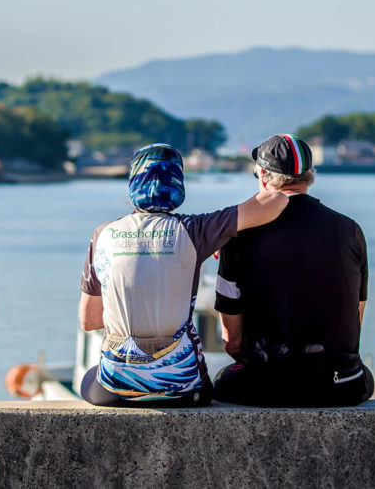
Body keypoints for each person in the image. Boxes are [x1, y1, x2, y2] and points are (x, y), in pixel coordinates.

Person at [78, 143, 289, 406]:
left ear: (133, 182)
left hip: (117, 388)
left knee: (88, 379)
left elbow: (89, 321)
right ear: (178, 184)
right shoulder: (195, 231)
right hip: (182, 388)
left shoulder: (102, 235)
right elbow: (277, 200)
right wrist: (223, 237)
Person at [212, 134, 373, 407]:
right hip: (342, 386)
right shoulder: (350, 230)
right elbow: (355, 320)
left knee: (222, 378)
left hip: (269, 387)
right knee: (363, 374)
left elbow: (232, 342)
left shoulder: (238, 236)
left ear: (263, 176)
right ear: (310, 175)